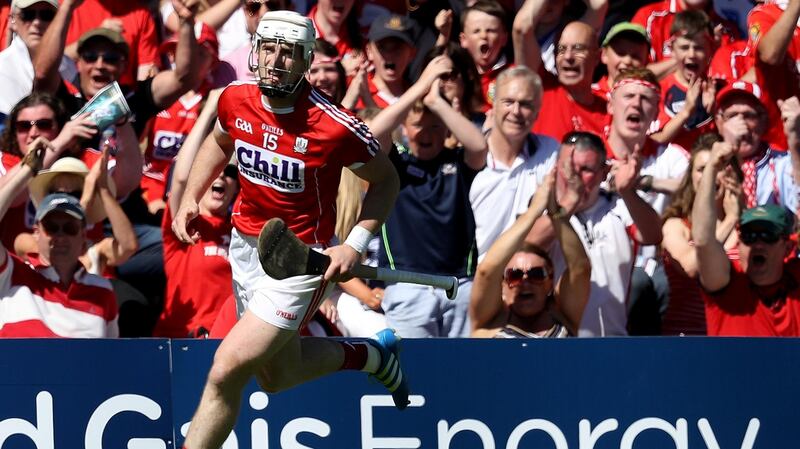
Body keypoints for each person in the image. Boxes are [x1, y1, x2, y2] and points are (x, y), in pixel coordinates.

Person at [173, 11, 404, 449]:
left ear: (306, 61)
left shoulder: (335, 126)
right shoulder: (234, 98)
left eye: (289, 53)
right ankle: (373, 355)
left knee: (225, 368)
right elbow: (221, 140)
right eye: (269, 49)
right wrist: (190, 196)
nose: (277, 60)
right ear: (256, 51)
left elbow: (386, 180)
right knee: (278, 377)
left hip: (299, 262)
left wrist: (354, 244)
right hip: (245, 249)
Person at [367, 54, 487, 337]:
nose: (426, 132)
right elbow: (372, 134)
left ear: (446, 128)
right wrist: (421, 88)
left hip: (458, 283)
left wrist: (436, 103)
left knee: (461, 372)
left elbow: (479, 146)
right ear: (405, 129)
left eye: (435, 126)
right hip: (406, 283)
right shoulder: (396, 164)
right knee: (414, 368)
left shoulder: (458, 162)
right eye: (418, 124)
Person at [526, 131, 663, 336]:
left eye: (586, 169)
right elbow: (527, 245)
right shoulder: (544, 207)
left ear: (603, 171)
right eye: (568, 167)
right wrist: (566, 208)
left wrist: (627, 191)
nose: (574, 177)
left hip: (612, 341)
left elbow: (653, 235)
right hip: (558, 341)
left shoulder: (619, 207)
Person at [0, 138, 117, 337]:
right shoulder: (13, 273)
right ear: (36, 232)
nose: (60, 236)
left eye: (69, 227)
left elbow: (108, 360)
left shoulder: (103, 290)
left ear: (83, 235)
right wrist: (27, 171)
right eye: (52, 227)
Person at [470, 163, 591, 338]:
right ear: (502, 285)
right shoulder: (490, 322)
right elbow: (486, 272)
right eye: (515, 275)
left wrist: (555, 212)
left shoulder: (563, 316)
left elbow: (580, 269)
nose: (525, 281)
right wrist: (534, 211)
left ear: (550, 281)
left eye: (536, 274)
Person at [154, 89, 238, 338]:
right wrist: (211, 110)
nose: (221, 175)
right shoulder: (185, 221)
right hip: (181, 341)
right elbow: (181, 178)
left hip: (227, 345)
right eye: (214, 171)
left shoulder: (242, 230)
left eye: (230, 173)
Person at [693, 139, 800, 336]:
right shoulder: (727, 284)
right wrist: (711, 169)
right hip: (735, 368)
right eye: (749, 236)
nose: (757, 244)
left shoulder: (796, 276)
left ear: (787, 247)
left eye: (767, 235)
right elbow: (702, 240)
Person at [469, 66, 560, 260]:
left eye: (526, 104)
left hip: (525, 277)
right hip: (472, 279)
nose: (516, 111)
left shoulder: (551, 152)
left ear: (537, 112)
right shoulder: (472, 157)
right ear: (493, 106)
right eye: (508, 102)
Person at [660, 132, 742, 335]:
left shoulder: (748, 228)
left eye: (717, 167)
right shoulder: (676, 225)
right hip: (685, 338)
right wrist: (730, 220)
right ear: (691, 177)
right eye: (702, 170)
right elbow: (690, 266)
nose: (710, 175)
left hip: (734, 336)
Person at [515, 15, 609, 143]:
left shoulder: (609, 109)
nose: (568, 56)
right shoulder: (541, 87)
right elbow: (521, 28)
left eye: (578, 49)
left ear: (597, 57)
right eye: (561, 49)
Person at [715, 81, 800, 211]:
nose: (741, 124)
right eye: (732, 116)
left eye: (749, 116)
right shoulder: (707, 161)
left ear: (763, 122)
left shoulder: (783, 162)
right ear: (719, 123)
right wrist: (729, 151)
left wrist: (794, 139)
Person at [649, 10, 717, 149]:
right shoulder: (658, 91)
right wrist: (686, 111)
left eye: (698, 48)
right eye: (684, 47)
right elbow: (656, 139)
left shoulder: (719, 89)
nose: (691, 54)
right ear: (672, 50)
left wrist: (716, 111)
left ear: (710, 50)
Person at [0, 0, 77, 117]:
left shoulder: (69, 65)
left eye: (47, 15)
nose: (37, 22)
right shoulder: (2, 68)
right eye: (28, 15)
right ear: (12, 20)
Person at [593, 22, 650, 99]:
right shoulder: (590, 95)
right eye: (621, 53)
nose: (627, 61)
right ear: (604, 55)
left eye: (636, 56)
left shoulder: (651, 100)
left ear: (646, 61)